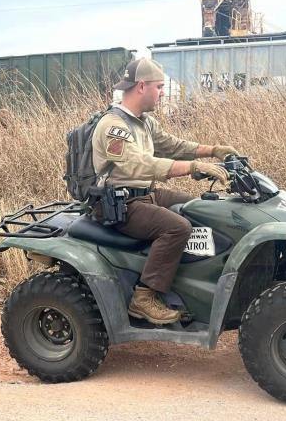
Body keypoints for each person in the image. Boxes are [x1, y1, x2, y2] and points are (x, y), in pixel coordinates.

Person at [92, 58, 238, 326]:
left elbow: (171, 145)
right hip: (118, 204)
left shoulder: (143, 122)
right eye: (159, 87)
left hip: (143, 194)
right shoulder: (113, 126)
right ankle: (144, 298)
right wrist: (192, 167)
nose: (161, 93)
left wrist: (213, 150)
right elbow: (138, 164)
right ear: (141, 86)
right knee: (177, 227)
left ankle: (188, 286)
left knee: (201, 207)